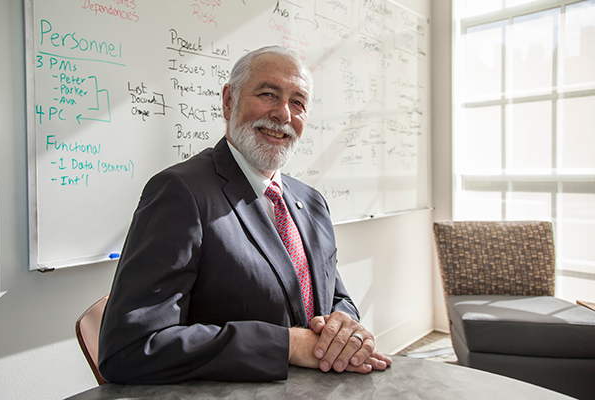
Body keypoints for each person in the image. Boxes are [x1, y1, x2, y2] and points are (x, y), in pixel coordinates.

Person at [98, 45, 392, 384]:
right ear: (228, 101)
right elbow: (130, 348)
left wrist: (345, 329)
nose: (284, 114)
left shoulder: (311, 202)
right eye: (268, 94)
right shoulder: (179, 193)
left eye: (298, 102)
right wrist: (287, 345)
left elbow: (333, 297)